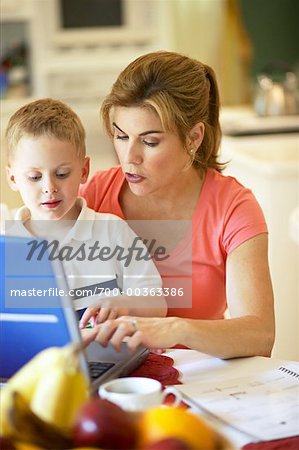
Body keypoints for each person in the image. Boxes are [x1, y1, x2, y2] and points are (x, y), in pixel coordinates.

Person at [79, 51, 275, 359]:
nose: (129, 156)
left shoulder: (233, 208)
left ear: (193, 137)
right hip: (111, 378)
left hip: (200, 382)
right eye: (120, 136)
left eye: (150, 141)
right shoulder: (93, 196)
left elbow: (259, 335)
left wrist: (175, 329)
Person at [4, 98, 167, 321]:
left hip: (105, 352)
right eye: (34, 177)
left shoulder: (112, 231)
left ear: (84, 170)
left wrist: (125, 305)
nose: (49, 188)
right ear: (12, 178)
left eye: (62, 174)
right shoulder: (6, 237)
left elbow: (157, 303)